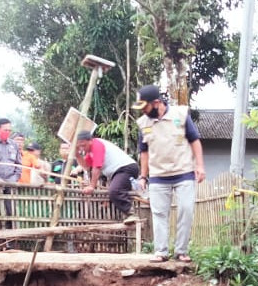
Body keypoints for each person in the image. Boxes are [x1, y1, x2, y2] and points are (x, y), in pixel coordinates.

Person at [133, 84, 205, 263]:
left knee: (186, 210)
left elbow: (194, 140)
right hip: (158, 175)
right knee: (159, 214)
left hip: (184, 172)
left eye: (145, 107)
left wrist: (200, 166)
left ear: (157, 103)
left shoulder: (180, 115)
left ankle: (181, 251)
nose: (143, 111)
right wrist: (143, 176)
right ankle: (161, 251)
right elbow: (144, 152)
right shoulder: (143, 124)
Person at [74, 131, 140, 224]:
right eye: (79, 146)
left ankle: (131, 213)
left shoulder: (97, 145)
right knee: (114, 192)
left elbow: (96, 168)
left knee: (115, 191)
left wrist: (92, 186)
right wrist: (77, 155)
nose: (82, 148)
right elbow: (86, 166)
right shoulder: (90, 153)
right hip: (117, 172)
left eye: (83, 145)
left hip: (126, 168)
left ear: (90, 141)